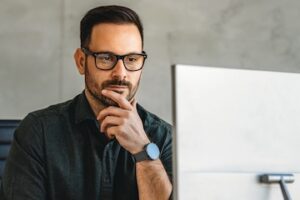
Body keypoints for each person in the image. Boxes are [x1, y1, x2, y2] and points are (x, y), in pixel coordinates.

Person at [0, 5, 172, 200]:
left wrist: (143, 151)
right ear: (81, 61)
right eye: (106, 58)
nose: (121, 73)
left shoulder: (166, 138)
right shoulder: (38, 132)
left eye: (132, 59)